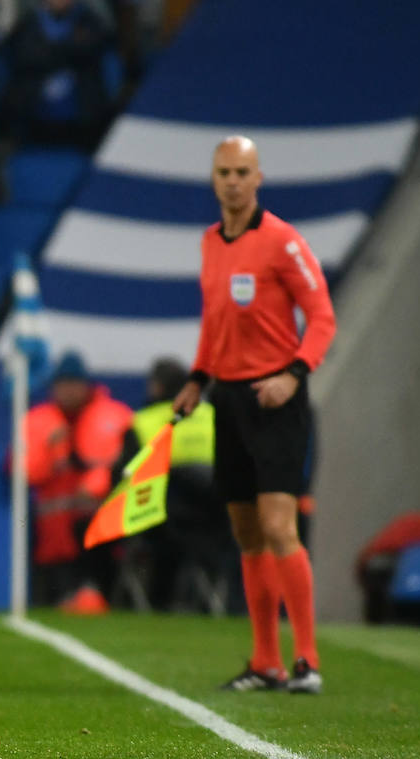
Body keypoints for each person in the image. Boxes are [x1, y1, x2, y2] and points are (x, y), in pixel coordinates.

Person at [171, 136, 336, 694]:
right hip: (230, 400)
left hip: (278, 403)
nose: (233, 181)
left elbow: (322, 318)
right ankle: (265, 659)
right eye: (224, 172)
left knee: (278, 526)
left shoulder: (283, 242)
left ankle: (307, 660)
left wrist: (294, 373)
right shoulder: (210, 243)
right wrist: (198, 379)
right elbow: (216, 324)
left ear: (258, 178)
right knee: (246, 533)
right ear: (213, 178)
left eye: (243, 171)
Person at [115, 357, 231, 612]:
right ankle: (213, 601)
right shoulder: (214, 417)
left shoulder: (145, 421)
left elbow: (123, 475)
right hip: (216, 523)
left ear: (157, 388)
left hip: (162, 525)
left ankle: (149, 600)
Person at [24, 351, 133, 612]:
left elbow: (129, 463)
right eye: (63, 384)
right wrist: (50, 453)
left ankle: (96, 594)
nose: (68, 391)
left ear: (87, 385)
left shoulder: (117, 416)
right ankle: (73, 596)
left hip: (104, 515)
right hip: (52, 526)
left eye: (74, 384)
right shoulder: (37, 420)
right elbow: (21, 469)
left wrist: (99, 486)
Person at [2, 0, 114, 150]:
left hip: (82, 122)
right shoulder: (30, 20)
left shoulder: (88, 19)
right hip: (34, 120)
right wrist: (68, 48)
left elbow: (91, 49)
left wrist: (48, 50)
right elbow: (25, 55)